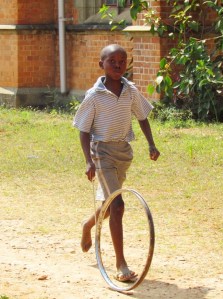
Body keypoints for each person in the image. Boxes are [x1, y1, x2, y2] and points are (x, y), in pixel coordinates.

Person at [73, 44, 160, 282]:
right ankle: (121, 264)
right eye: (112, 61)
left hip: (123, 151)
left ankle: (88, 224)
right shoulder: (94, 96)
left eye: (122, 61)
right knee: (118, 205)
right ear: (101, 64)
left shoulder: (130, 90)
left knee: (110, 205)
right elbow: (83, 130)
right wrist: (88, 161)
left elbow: (142, 116)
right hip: (101, 151)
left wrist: (151, 144)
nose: (118, 65)